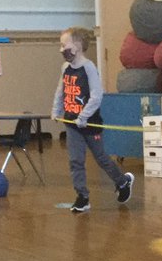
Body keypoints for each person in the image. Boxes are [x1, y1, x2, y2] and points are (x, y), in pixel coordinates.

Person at [51, 27, 133, 213]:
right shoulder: (65, 68)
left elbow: (97, 95)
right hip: (72, 124)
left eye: (64, 45)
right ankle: (82, 196)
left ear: (77, 46)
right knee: (76, 161)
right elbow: (61, 90)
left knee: (101, 158)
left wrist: (83, 116)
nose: (61, 49)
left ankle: (122, 182)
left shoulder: (88, 68)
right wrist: (56, 110)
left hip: (89, 124)